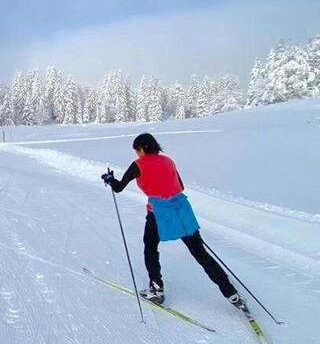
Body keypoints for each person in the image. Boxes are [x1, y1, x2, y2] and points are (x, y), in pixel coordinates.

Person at [100, 132, 248, 312]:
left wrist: (110, 180)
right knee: (200, 253)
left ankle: (156, 290)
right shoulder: (168, 161)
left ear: (142, 149)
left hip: (159, 212)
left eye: (137, 150)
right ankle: (231, 293)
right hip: (182, 209)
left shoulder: (138, 164)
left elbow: (119, 188)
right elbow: (180, 185)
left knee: (150, 248)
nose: (137, 154)